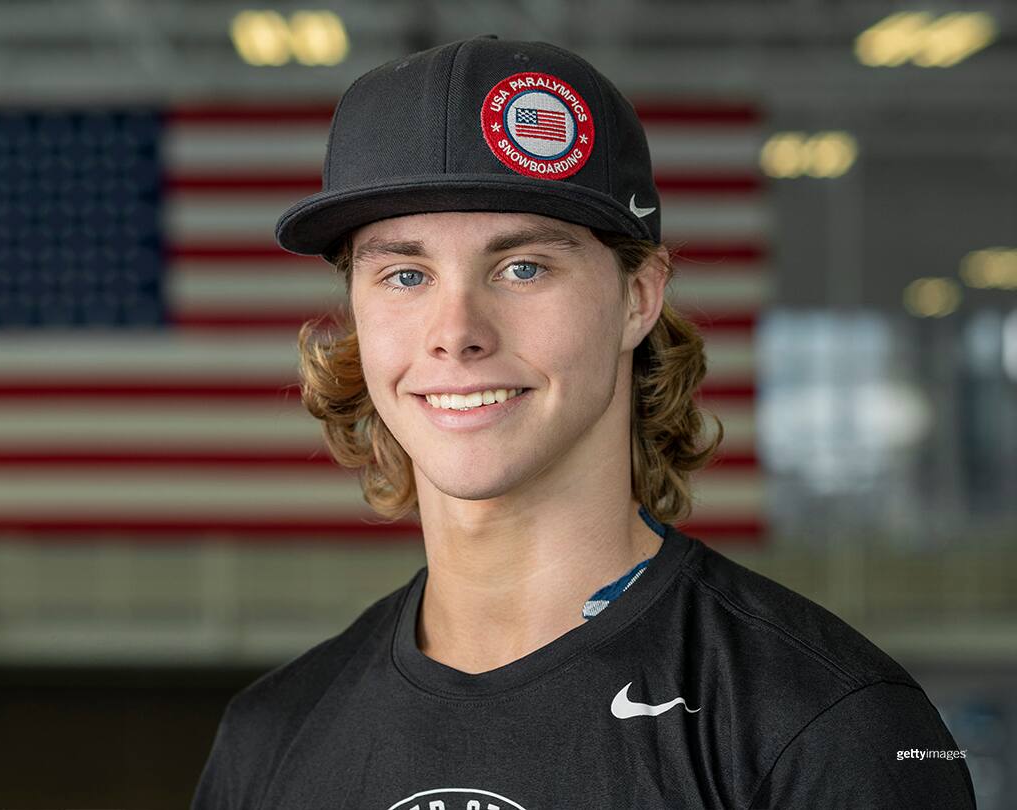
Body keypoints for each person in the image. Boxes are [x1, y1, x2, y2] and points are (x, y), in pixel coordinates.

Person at [190, 34, 975, 809]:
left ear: (638, 297)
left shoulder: (827, 722)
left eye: (523, 267)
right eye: (404, 273)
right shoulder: (271, 733)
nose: (456, 330)